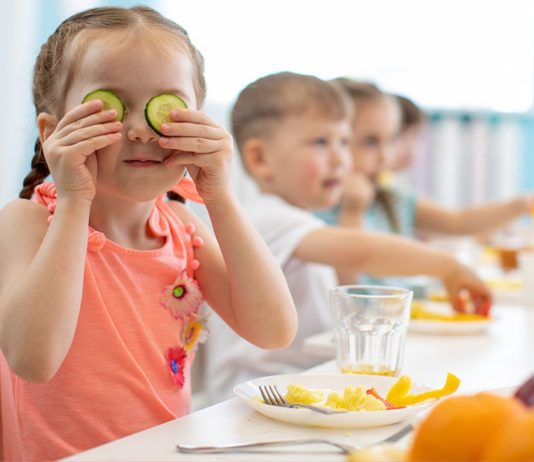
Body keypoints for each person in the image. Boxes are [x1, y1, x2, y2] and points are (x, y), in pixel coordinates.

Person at [0, 7, 297, 460]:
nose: (141, 129)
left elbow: (274, 329)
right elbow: (33, 361)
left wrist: (221, 197)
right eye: (110, 105)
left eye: (165, 107)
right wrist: (75, 198)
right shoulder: (27, 222)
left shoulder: (184, 228)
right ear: (53, 132)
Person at [203, 71, 491, 403]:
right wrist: (448, 266)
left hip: (300, 390)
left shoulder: (302, 221)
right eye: (321, 143)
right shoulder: (264, 217)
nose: (341, 158)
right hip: (250, 398)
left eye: (343, 141)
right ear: (259, 159)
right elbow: (362, 253)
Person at [317, 78, 534, 284]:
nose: (386, 156)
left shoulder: (391, 197)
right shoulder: (317, 211)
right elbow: (343, 291)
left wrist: (522, 204)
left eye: (392, 139)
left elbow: (459, 222)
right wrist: (352, 212)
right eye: (371, 142)